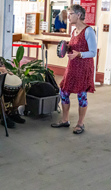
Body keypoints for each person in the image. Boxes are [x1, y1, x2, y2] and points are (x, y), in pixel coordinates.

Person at [51, 5, 97, 134]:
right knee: (64, 92)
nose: (68, 16)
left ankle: (80, 123)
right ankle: (65, 120)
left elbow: (93, 52)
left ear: (79, 15)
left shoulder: (88, 31)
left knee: (81, 96)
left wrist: (80, 54)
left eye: (71, 14)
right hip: (72, 66)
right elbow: (73, 46)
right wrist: (67, 46)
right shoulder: (73, 31)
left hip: (83, 67)